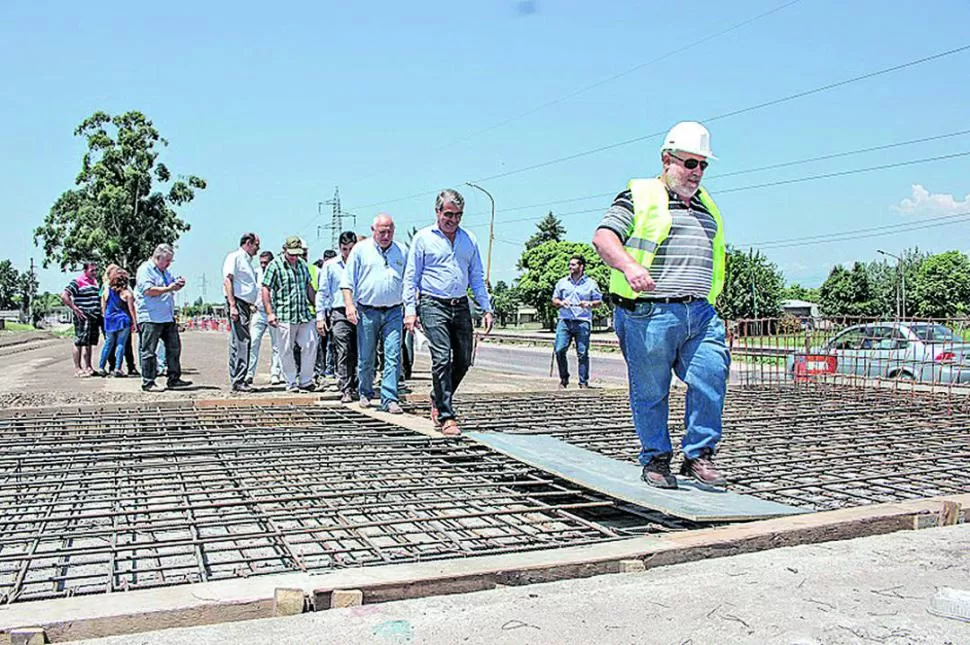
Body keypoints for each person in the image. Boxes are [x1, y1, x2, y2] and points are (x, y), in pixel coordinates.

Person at [592, 121, 729, 489]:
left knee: (711, 376)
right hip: (649, 313)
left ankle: (699, 453)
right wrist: (629, 265)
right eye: (689, 163)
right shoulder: (639, 195)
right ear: (667, 159)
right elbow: (604, 238)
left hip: (700, 312)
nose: (696, 172)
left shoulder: (707, 206)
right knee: (651, 391)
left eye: (703, 165)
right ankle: (655, 458)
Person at [403, 189, 494, 436]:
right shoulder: (423, 238)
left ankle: (438, 395)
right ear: (438, 212)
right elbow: (411, 277)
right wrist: (410, 310)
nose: (453, 220)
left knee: (464, 360)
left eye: (458, 215)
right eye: (449, 214)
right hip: (433, 304)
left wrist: (486, 307)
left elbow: (476, 276)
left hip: (461, 304)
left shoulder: (469, 239)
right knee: (442, 357)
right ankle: (446, 415)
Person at [342, 214, 406, 413]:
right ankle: (365, 392)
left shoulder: (402, 250)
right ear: (373, 230)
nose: (386, 236)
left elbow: (410, 282)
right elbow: (347, 282)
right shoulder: (360, 250)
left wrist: (412, 310)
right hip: (368, 311)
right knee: (367, 355)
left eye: (389, 231)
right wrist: (349, 306)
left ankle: (389, 398)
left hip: (395, 311)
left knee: (393, 355)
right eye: (382, 232)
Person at [261, 236, 317, 393]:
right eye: (291, 253)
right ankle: (291, 381)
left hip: (303, 313)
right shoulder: (275, 265)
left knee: (311, 343)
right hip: (284, 314)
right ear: (284, 249)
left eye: (297, 254)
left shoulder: (302, 266)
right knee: (286, 349)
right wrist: (270, 312)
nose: (294, 257)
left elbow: (308, 287)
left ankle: (306, 380)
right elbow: (265, 288)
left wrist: (316, 305)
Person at [135, 244, 192, 392]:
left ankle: (174, 379)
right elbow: (148, 290)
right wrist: (169, 288)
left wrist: (178, 284)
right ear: (158, 257)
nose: (168, 264)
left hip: (167, 317)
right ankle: (148, 382)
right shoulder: (145, 270)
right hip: (150, 317)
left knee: (174, 348)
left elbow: (170, 285)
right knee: (149, 350)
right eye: (167, 260)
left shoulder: (165, 272)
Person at [316, 231, 358, 402]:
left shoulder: (362, 262)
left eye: (351, 249)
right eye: (344, 249)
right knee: (343, 349)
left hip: (361, 310)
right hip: (339, 312)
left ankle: (358, 384)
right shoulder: (331, 265)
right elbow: (323, 291)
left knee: (360, 351)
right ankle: (346, 386)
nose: (348, 253)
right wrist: (321, 316)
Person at [552, 255, 603, 389]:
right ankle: (564, 379)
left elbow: (599, 302)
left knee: (582, 352)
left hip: (582, 321)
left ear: (581, 266)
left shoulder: (591, 283)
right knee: (559, 350)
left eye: (574, 264)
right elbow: (554, 299)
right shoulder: (562, 282)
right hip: (565, 320)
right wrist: (561, 303)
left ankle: (583, 381)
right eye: (570, 264)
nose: (570, 267)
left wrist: (589, 303)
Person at [223, 232, 261, 392]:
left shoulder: (247, 260)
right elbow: (227, 280)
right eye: (256, 245)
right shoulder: (235, 257)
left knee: (238, 341)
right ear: (248, 243)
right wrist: (233, 305)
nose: (258, 249)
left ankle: (237, 378)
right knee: (242, 342)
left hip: (243, 304)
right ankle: (239, 379)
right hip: (237, 303)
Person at [247, 250, 282, 385]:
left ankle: (275, 373)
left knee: (276, 345)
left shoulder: (277, 273)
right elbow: (249, 289)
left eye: (265, 263)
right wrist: (251, 303)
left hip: (274, 312)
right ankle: (249, 373)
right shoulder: (255, 273)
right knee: (253, 342)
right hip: (259, 312)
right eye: (261, 262)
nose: (263, 265)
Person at [62, 261, 102, 377]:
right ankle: (78, 368)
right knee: (79, 341)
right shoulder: (78, 282)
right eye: (92, 270)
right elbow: (64, 295)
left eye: (95, 270)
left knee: (89, 342)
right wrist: (75, 308)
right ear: (85, 271)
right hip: (82, 316)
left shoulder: (94, 282)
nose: (94, 273)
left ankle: (88, 366)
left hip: (94, 315)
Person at [97, 267, 137, 377]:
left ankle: (101, 367)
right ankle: (117, 368)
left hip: (110, 320)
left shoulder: (106, 290)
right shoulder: (127, 294)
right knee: (121, 344)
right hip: (123, 320)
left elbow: (103, 307)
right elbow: (131, 309)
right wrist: (134, 322)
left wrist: (106, 317)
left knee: (108, 344)